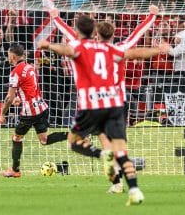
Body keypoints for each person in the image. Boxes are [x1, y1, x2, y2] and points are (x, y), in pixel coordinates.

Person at [38, 14, 169, 205]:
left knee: (84, 143)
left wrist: (54, 25)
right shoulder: (116, 48)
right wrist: (154, 27)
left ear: (95, 33)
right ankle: (131, 188)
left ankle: (114, 178)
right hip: (117, 102)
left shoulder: (82, 47)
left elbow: (67, 44)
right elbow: (136, 44)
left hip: (93, 103)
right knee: (119, 149)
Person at [0, 43, 68, 178]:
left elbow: (9, 97)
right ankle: (73, 135)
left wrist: (2, 113)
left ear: (12, 56)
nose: (8, 58)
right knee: (44, 140)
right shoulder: (29, 67)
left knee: (16, 138)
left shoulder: (15, 72)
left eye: (8, 56)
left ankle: (15, 170)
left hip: (30, 112)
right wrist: (20, 98)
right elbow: (30, 88)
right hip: (41, 107)